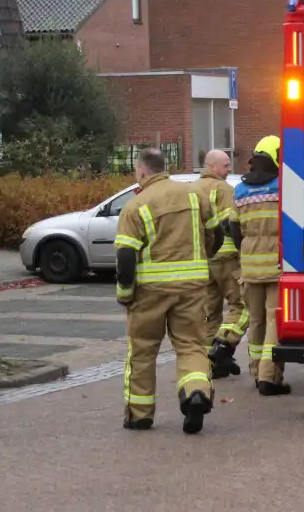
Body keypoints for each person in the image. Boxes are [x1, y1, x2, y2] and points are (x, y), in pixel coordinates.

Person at [114, 147, 220, 434]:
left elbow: (126, 258)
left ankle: (139, 415)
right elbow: (218, 234)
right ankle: (195, 392)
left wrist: (125, 293)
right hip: (192, 289)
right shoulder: (194, 195)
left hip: (150, 292)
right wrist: (204, 258)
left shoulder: (135, 206)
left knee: (143, 351)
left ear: (142, 171)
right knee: (191, 345)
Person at [229, 135, 292, 396]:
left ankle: (255, 372)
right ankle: (269, 377)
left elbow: (233, 229)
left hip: (250, 266)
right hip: (277, 265)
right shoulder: (282, 187)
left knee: (255, 321)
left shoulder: (240, 190)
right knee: (274, 320)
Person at [194, 149, 246, 379]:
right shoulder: (224, 189)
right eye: (225, 165)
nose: (229, 169)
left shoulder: (192, 189)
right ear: (212, 167)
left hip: (203, 262)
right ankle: (223, 345)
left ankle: (211, 366)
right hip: (226, 260)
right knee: (243, 305)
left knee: (209, 313)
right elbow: (229, 224)